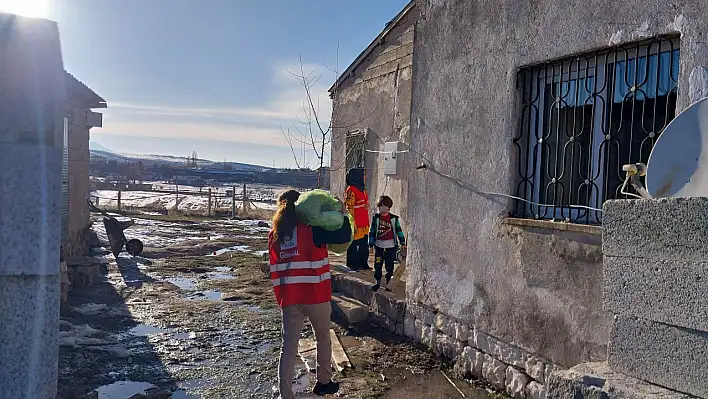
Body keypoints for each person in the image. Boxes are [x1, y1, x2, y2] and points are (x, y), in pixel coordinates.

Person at [268, 189, 351, 398]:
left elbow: (275, 268)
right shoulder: (312, 229)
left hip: (290, 299)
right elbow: (344, 235)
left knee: (288, 348)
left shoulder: (274, 235)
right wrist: (342, 211)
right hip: (316, 295)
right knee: (323, 339)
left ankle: (286, 394)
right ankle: (324, 382)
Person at [368, 195, 406, 292]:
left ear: (389, 208)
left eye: (385, 206)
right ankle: (377, 281)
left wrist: (403, 243)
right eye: (381, 206)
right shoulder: (376, 218)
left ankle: (389, 281)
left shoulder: (394, 219)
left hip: (391, 246)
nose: (382, 208)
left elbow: (399, 231)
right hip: (379, 245)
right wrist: (371, 244)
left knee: (389, 265)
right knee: (378, 264)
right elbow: (372, 231)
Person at [344, 167, 370, 270]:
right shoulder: (351, 190)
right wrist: (352, 223)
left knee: (364, 244)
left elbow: (363, 202)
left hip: (364, 221)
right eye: (363, 175)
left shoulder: (363, 189)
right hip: (356, 222)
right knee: (353, 244)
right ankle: (352, 264)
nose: (365, 177)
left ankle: (363, 264)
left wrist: (366, 205)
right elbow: (349, 207)